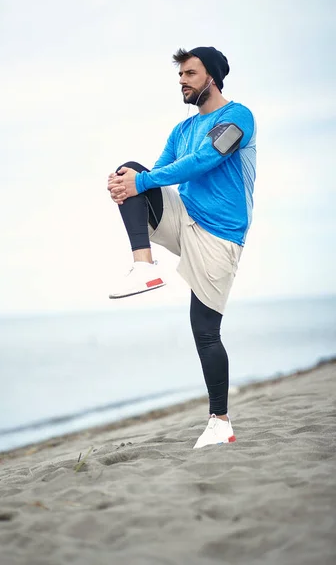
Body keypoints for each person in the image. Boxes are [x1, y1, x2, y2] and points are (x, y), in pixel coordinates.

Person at [107, 46, 256, 448]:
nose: (182, 82)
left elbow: (205, 161)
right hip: (183, 219)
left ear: (213, 76)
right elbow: (155, 176)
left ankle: (219, 421)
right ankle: (144, 265)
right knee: (131, 172)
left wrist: (141, 184)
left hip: (220, 235)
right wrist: (128, 186)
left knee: (205, 333)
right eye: (180, 76)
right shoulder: (180, 130)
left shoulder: (237, 118)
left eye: (190, 73)